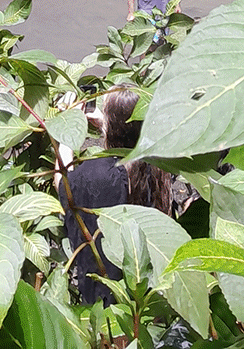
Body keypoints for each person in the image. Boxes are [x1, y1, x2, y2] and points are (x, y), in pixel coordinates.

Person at [54, 88, 186, 306]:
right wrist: (106, 124)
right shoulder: (159, 161)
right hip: (151, 291)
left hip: (110, 295)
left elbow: (63, 182)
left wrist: (67, 131)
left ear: (113, 127)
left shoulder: (101, 174)